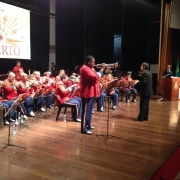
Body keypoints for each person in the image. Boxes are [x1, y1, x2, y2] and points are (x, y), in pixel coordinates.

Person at [80, 55, 105, 135]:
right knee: (88, 110)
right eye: (93, 62)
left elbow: (97, 76)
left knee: (90, 110)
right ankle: (86, 128)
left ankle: (89, 125)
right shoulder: (85, 69)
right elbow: (95, 76)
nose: (94, 63)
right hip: (87, 92)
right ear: (88, 62)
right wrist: (102, 69)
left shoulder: (91, 68)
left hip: (92, 91)